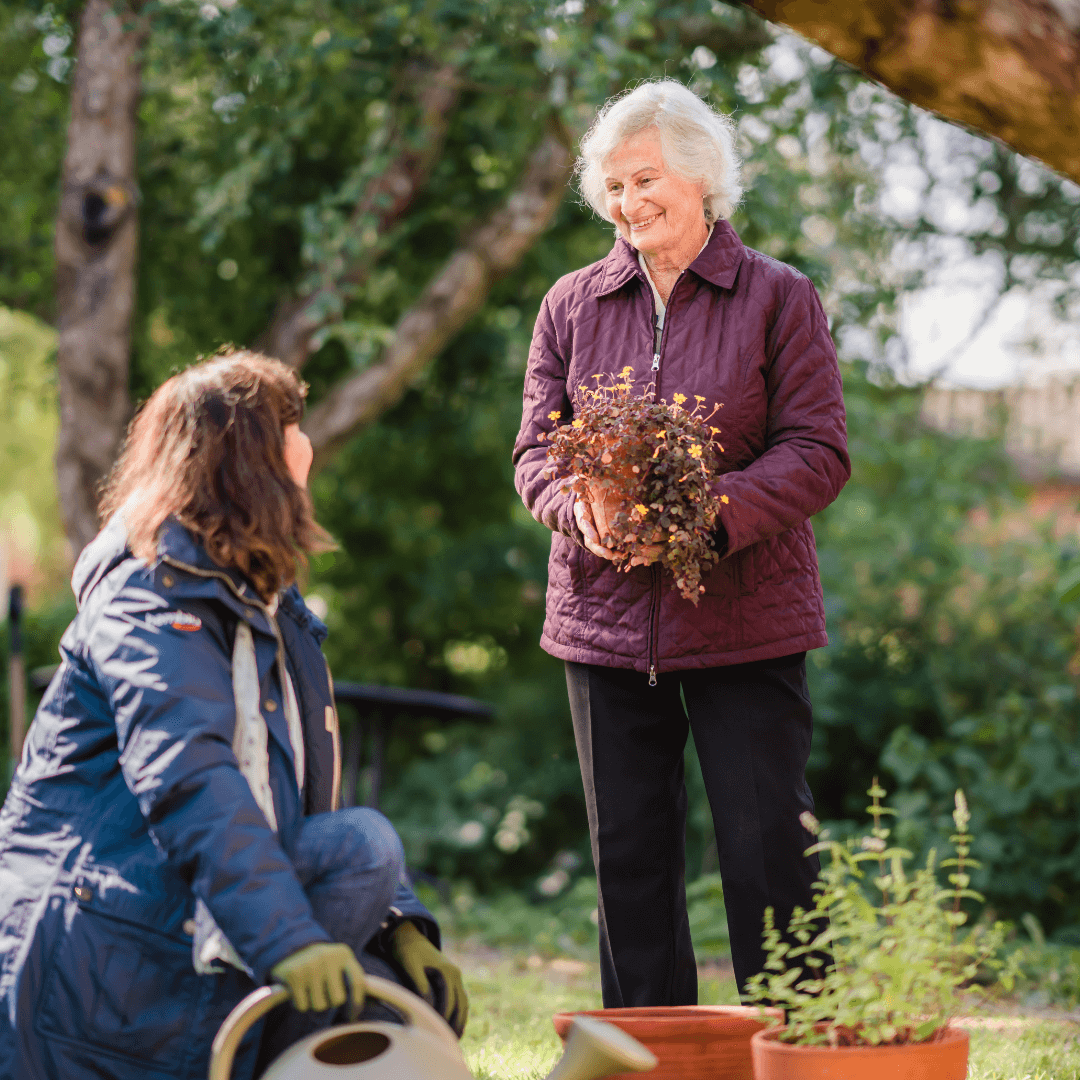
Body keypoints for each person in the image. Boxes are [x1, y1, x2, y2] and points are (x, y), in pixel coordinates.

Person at [0, 350, 467, 1080]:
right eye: (291, 427)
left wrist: (395, 921)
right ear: (251, 459)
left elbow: (297, 799)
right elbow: (192, 777)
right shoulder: (151, 597)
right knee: (361, 846)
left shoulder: (263, 605)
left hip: (170, 902)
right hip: (90, 931)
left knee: (371, 902)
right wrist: (287, 940)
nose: (305, 446)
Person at [513, 80, 851, 1007]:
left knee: (769, 856)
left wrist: (706, 513)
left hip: (745, 619)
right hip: (605, 625)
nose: (628, 204)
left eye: (646, 179)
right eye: (613, 187)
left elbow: (818, 452)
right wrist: (574, 502)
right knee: (628, 863)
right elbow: (535, 449)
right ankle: (650, 1062)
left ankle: (800, 1052)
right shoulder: (571, 304)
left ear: (702, 176)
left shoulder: (779, 297)